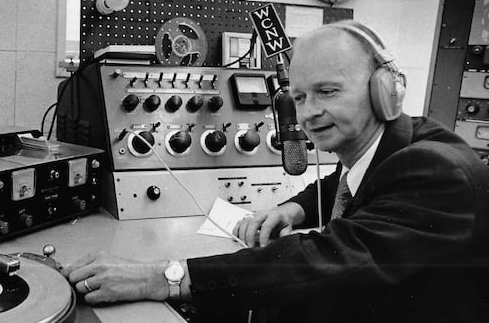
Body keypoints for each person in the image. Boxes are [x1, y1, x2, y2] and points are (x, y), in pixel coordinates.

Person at [63, 20, 489, 322]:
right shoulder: (393, 145)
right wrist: (292, 209)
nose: (310, 114)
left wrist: (163, 277)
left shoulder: (436, 171)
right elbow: (348, 183)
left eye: (328, 91)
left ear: (384, 91)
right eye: (299, 97)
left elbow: (326, 258)